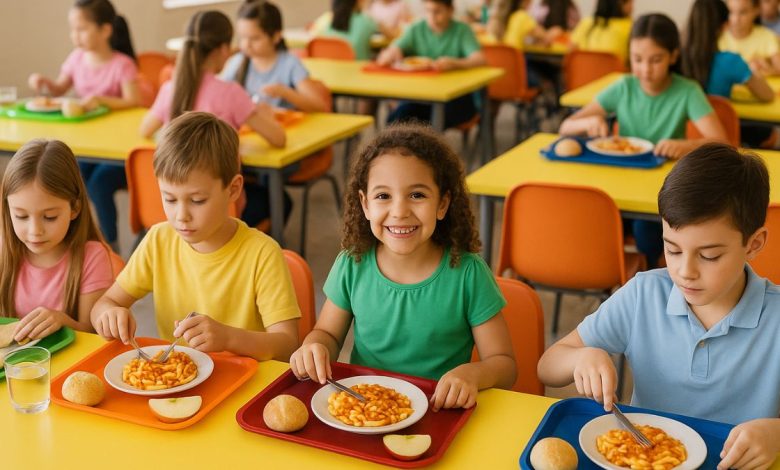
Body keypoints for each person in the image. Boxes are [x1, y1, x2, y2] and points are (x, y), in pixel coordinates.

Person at [538, 143, 780, 470]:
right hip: (643, 458)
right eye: (673, 249)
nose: (685, 271)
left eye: (709, 256)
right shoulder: (644, 294)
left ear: (754, 244)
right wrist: (580, 356)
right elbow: (547, 366)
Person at [289, 123, 516, 411]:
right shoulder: (352, 263)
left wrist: (472, 374)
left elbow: (505, 366)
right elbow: (329, 334)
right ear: (365, 204)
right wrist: (315, 347)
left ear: (442, 204)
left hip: (440, 411)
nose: (399, 211)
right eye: (383, 196)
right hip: (366, 410)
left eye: (417, 195)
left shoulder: (469, 274)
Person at [92, 112, 300, 361]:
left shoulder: (262, 252)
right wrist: (109, 314)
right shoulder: (159, 240)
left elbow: (287, 344)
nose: (181, 216)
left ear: (233, 189)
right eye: (169, 198)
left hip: (246, 384)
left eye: (197, 200)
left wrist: (228, 338)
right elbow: (104, 303)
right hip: (177, 385)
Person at [559, 13, 727, 268]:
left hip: (662, 193)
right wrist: (586, 123)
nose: (645, 70)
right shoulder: (624, 86)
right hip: (618, 187)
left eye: (655, 60)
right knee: (587, 218)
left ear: (673, 56)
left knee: (647, 231)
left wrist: (686, 146)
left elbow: (722, 143)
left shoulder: (687, 90)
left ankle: (648, 275)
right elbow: (565, 127)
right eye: (637, 60)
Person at [140, 10, 287, 228]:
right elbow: (278, 139)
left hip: (173, 209)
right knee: (282, 201)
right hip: (218, 209)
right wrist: (263, 115)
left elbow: (144, 130)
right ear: (224, 49)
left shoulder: (170, 88)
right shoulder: (231, 93)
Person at [29, 0, 140, 252]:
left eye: (82, 28)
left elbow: (134, 102)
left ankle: (110, 244)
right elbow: (59, 88)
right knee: (71, 177)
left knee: (98, 183)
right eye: (73, 29)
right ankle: (80, 238)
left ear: (105, 30)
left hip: (117, 151)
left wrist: (102, 100)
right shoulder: (76, 59)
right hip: (87, 145)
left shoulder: (123, 65)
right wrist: (44, 81)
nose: (75, 35)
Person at [0, 139, 114, 341]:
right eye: (21, 216)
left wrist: (62, 321)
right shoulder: (3, 249)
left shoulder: (92, 257)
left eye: (50, 217)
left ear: (75, 208)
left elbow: (94, 336)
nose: (35, 231)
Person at [377, 0, 486, 128]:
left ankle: (425, 144)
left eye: (437, 11)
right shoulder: (417, 28)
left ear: (450, 11)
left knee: (427, 118)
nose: (432, 17)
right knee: (398, 118)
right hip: (422, 96)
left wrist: (456, 63)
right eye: (428, 11)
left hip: (457, 98)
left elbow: (480, 59)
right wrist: (392, 52)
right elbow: (395, 48)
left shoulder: (462, 30)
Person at [221, 0, 327, 112]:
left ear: (276, 36)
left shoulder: (290, 63)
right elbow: (221, 96)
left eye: (255, 38)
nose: (246, 44)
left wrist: (285, 93)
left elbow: (318, 106)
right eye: (242, 37)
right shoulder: (237, 62)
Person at [682, 0, 774, 102]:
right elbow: (768, 95)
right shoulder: (731, 61)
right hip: (721, 117)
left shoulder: (676, 58)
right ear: (725, 26)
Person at [720, 0, 780, 76]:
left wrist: (767, 68)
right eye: (730, 12)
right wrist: (746, 68)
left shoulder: (768, 36)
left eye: (743, 12)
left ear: (756, 10)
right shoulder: (719, 37)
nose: (736, 19)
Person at [311, 0, 377, 60]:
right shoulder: (366, 22)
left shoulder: (330, 20)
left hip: (330, 68)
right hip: (357, 68)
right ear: (359, 1)